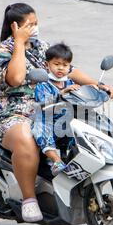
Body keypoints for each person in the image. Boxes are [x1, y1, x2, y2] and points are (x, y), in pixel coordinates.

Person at [0, 3, 113, 223]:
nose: (35, 28)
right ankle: (29, 200)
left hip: (50, 106)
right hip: (11, 113)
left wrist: (99, 85)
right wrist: (19, 42)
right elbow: (16, 79)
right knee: (27, 139)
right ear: (15, 27)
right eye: (30, 25)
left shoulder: (41, 47)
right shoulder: (1, 52)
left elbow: (68, 69)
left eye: (36, 23)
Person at [32, 43, 80, 176]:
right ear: (47, 65)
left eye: (65, 65)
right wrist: (63, 93)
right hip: (47, 121)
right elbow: (44, 104)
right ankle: (56, 160)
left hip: (65, 121)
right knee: (42, 127)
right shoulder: (43, 84)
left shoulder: (70, 83)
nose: (61, 68)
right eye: (56, 64)